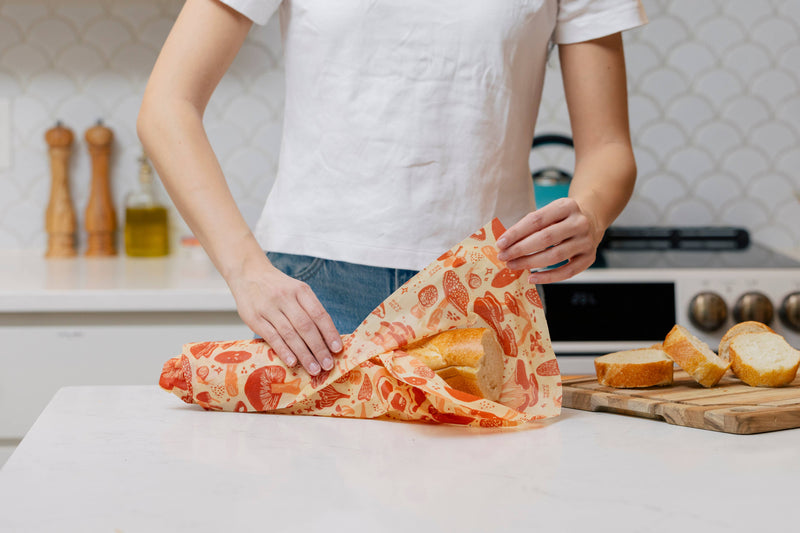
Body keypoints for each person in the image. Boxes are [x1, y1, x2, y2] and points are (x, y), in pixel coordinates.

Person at [138, 0, 646, 377]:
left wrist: (591, 213)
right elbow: (167, 106)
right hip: (316, 297)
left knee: (490, 505)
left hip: (484, 286)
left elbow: (608, 149)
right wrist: (244, 269)